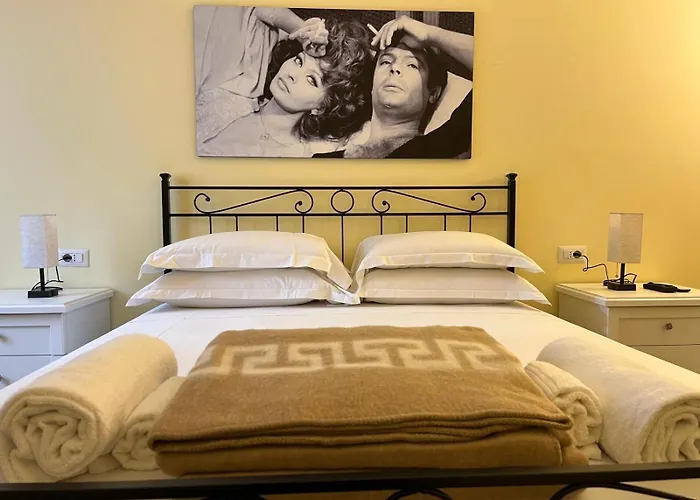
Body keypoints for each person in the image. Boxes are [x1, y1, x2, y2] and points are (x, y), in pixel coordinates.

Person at [196, 7, 373, 158]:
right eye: (299, 61)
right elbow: (251, 8)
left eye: (311, 79)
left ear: (322, 106)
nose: (293, 74)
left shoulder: (305, 155)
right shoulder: (238, 88)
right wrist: (302, 30)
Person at [313, 16, 474, 159]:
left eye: (412, 65)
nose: (395, 68)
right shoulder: (324, 162)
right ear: (372, 83)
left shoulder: (442, 148)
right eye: (386, 62)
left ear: (433, 93)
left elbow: (489, 62)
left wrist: (428, 34)